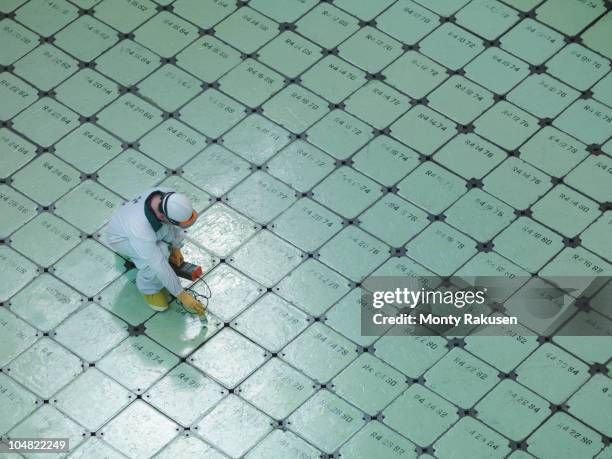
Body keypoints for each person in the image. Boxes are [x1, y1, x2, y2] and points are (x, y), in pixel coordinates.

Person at [106, 187, 205, 315]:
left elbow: (175, 226)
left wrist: (176, 247)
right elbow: (157, 263)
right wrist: (180, 293)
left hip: (138, 228)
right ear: (162, 216)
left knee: (167, 238)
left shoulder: (171, 199)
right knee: (160, 255)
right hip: (122, 239)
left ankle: (159, 253)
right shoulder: (139, 229)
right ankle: (148, 289)